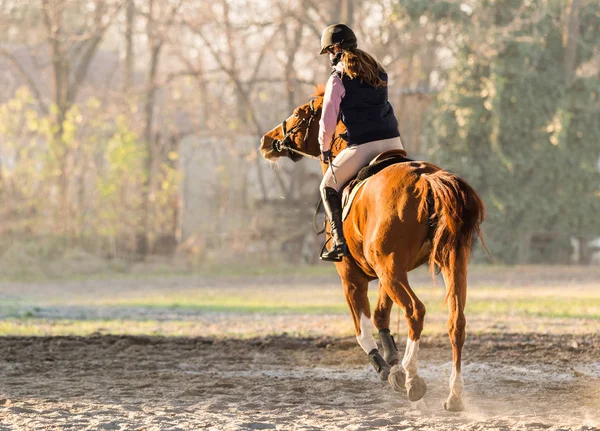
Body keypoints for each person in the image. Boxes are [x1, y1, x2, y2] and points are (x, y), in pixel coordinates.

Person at [318, 23, 404, 261]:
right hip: (394, 142)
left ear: (336, 48)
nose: (328, 57)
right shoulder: (378, 70)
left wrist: (325, 149)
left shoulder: (337, 78)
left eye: (328, 51)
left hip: (363, 146)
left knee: (327, 186)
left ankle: (338, 243)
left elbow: (327, 123)